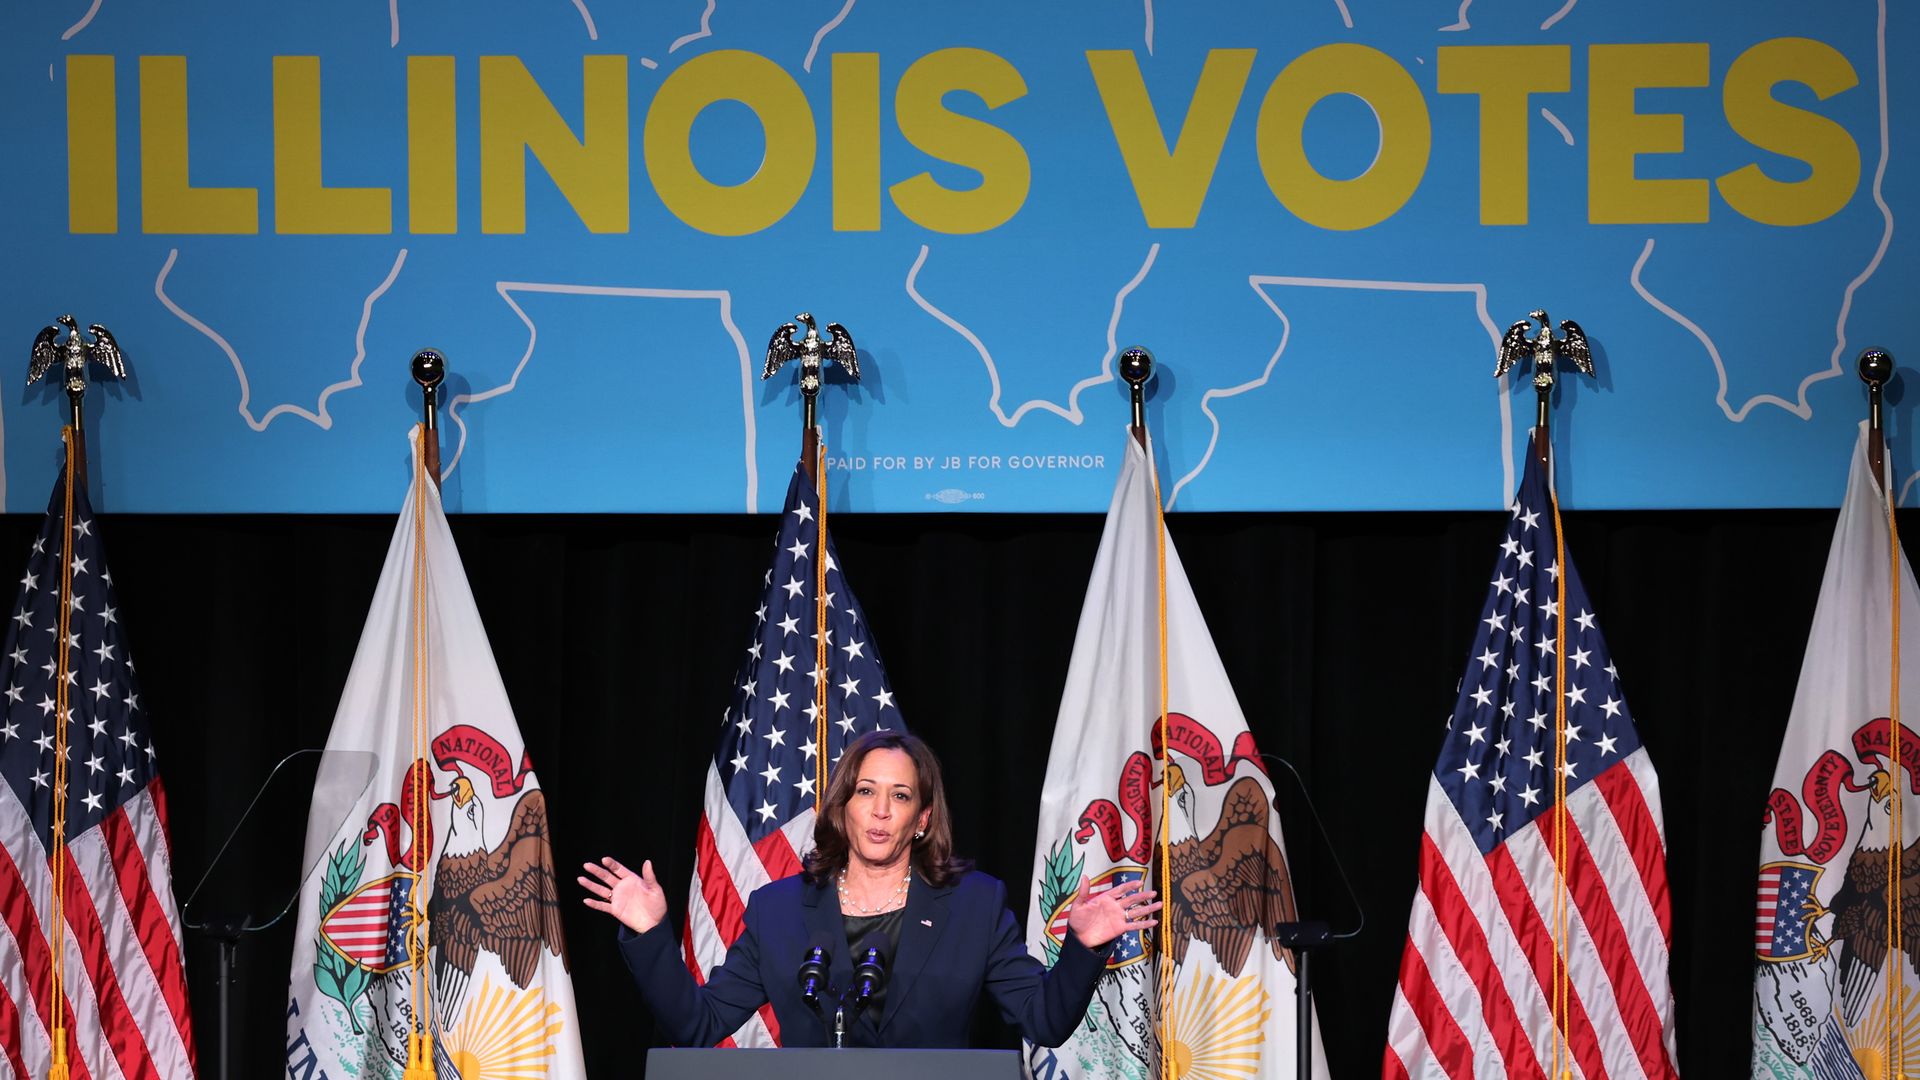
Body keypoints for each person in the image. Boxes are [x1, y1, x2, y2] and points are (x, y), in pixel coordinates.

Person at [580, 729, 1160, 1048]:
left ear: (923, 819)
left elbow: (1044, 1020)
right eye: (865, 792)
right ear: (841, 809)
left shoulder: (975, 906)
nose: (882, 811)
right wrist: (652, 934)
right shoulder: (777, 910)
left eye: (901, 796)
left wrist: (1085, 947)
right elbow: (698, 1024)